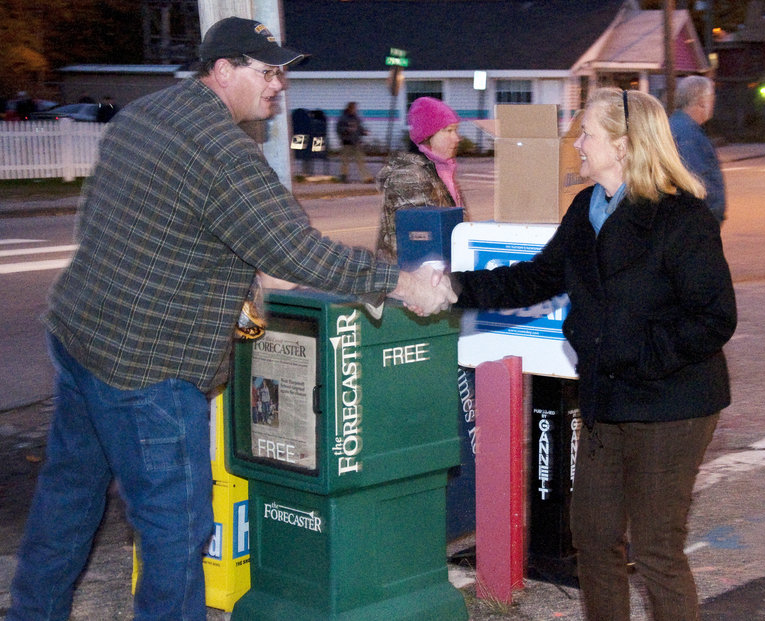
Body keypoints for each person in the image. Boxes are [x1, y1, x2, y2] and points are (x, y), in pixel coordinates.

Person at [7, 16, 455, 621]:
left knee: (68, 503)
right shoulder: (221, 151)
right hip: (149, 369)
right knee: (177, 531)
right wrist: (402, 283)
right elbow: (295, 249)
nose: (279, 86)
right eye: (267, 71)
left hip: (82, 339)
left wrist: (239, 275)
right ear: (223, 70)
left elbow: (158, 226)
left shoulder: (149, 114)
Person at [450, 87, 737, 621]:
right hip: (608, 398)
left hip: (671, 403)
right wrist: (453, 288)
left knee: (656, 550)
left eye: (586, 133)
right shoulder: (588, 207)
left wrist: (634, 356)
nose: (576, 144)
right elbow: (537, 277)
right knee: (595, 537)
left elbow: (714, 319)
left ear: (624, 145)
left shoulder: (680, 217)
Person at [375, 96, 466, 263]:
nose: (456, 138)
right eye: (448, 131)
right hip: (409, 278)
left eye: (456, 130)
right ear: (427, 135)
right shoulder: (409, 177)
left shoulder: (442, 173)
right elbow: (419, 241)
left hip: (437, 272)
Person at [670, 75, 727, 224]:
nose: (713, 102)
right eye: (712, 97)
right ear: (702, 101)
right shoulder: (688, 135)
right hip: (695, 228)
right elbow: (695, 186)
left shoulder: (676, 126)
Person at [336, 101, 373, 183]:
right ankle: (343, 177)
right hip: (346, 143)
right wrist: (346, 130)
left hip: (356, 143)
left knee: (361, 160)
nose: (355, 110)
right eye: (354, 108)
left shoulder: (356, 118)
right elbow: (338, 129)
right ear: (350, 108)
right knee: (345, 161)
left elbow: (359, 128)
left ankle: (367, 178)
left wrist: (364, 132)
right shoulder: (343, 118)